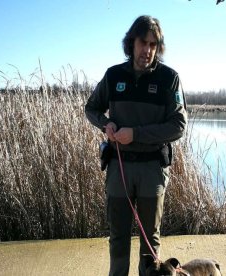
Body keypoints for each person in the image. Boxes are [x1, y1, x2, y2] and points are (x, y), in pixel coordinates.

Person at [85, 15, 187, 276]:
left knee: (149, 242)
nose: (148, 50)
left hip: (152, 169)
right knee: (118, 236)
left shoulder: (169, 79)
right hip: (119, 169)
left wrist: (136, 134)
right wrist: (105, 123)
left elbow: (178, 125)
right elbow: (91, 108)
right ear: (131, 43)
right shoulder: (113, 75)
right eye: (143, 42)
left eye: (154, 44)